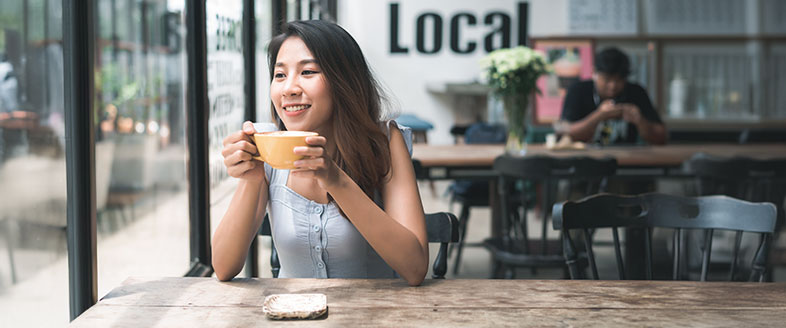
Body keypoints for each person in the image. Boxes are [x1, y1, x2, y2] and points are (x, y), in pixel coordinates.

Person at [212, 21, 428, 286]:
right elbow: (223, 267)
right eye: (280, 75)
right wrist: (252, 179)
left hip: (373, 317)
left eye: (308, 72)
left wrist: (335, 181)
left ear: (343, 81)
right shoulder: (266, 145)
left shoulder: (384, 142)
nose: (289, 88)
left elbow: (415, 268)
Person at [561, 47, 666, 145]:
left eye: (619, 79)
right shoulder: (578, 90)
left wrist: (640, 121)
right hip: (586, 161)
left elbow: (662, 138)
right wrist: (598, 116)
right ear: (594, 73)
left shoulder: (636, 92)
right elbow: (564, 134)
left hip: (628, 161)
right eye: (607, 79)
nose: (613, 86)